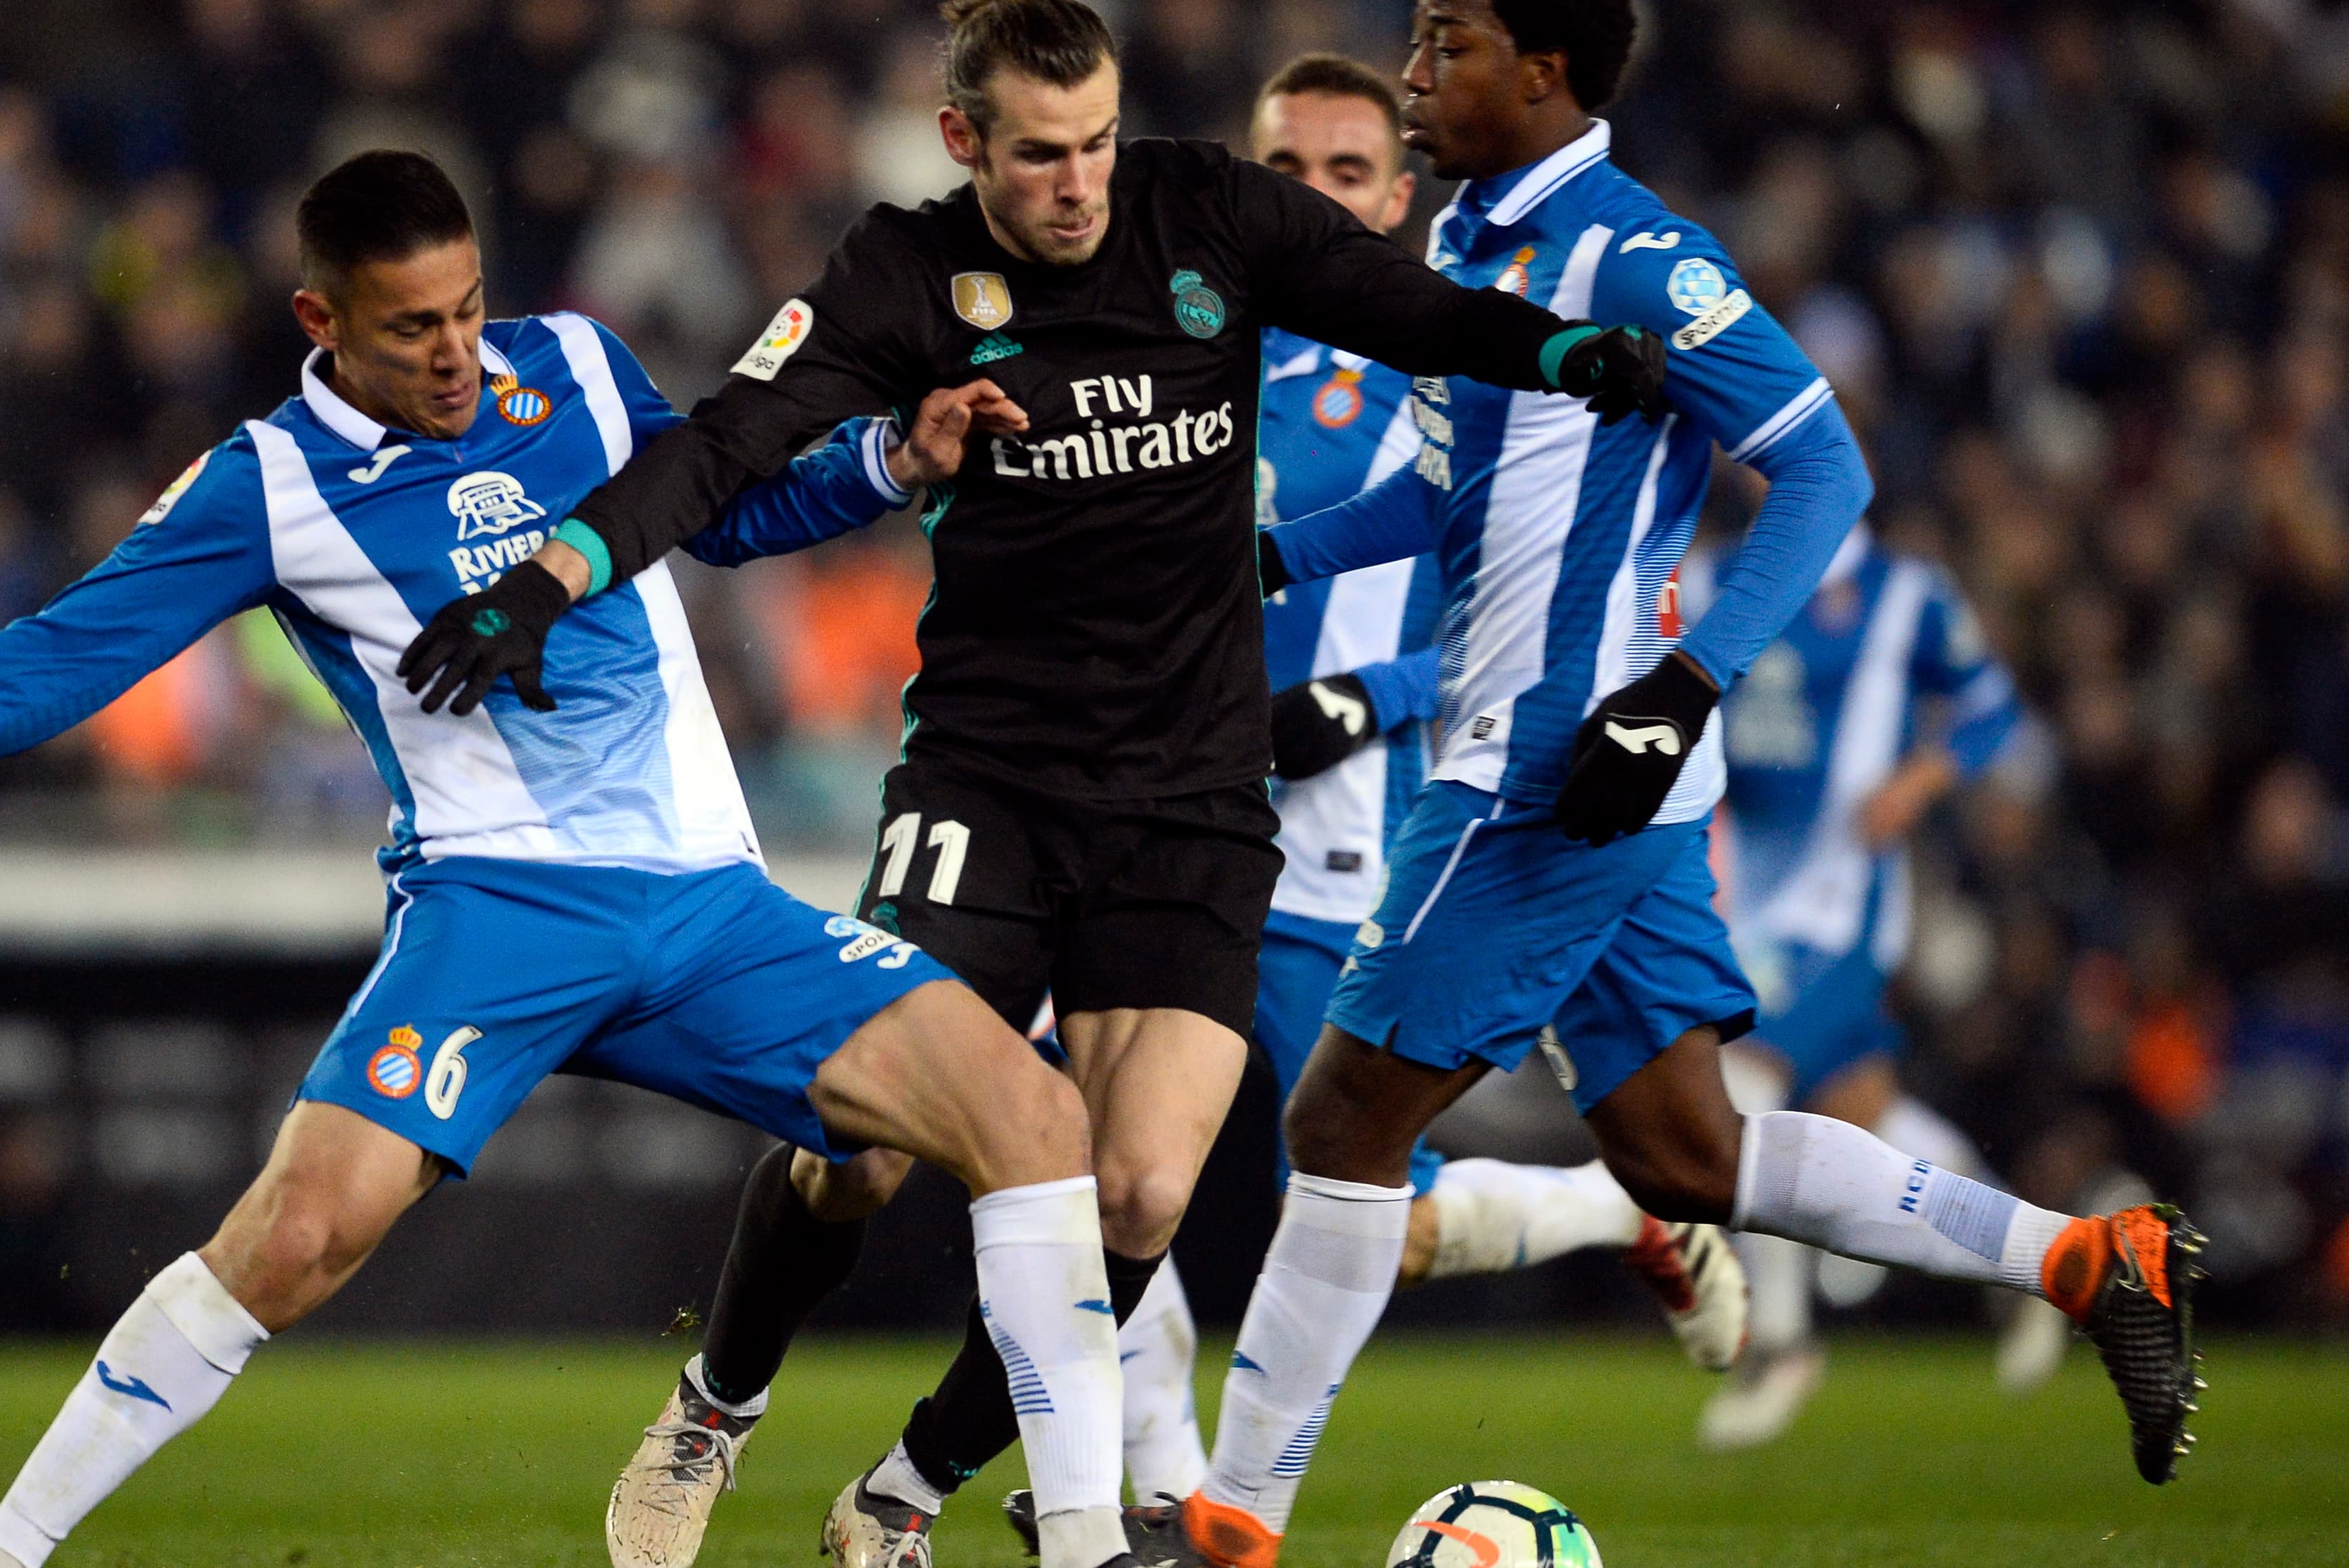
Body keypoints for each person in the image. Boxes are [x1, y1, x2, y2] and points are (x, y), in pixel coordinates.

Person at [0, 150, 1156, 1568]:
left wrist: (895, 458)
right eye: (413, 328)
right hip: (497, 911)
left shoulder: (571, 365)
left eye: (467, 311)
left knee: (1028, 1116)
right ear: (321, 319)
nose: (455, 354)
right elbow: (65, 654)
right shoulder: (270, 483)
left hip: (711, 910)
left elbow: (723, 506)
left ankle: (1076, 1539)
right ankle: (4, 1551)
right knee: (297, 1239)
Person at [515, 2, 1673, 1561]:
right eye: (1043, 155)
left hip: (1191, 794)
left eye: (1098, 145)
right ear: (964, 143)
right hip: (986, 782)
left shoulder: (1208, 210)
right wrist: (557, 569)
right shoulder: (901, 272)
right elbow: (727, 448)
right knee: (859, 1145)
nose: (1079, 184)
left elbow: (1415, 312)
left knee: (1136, 1198)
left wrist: (1563, 350)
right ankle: (717, 1405)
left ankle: (903, 1495)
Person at [1122, 4, 2205, 1562]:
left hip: (1545, 770)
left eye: (1447, 43)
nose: (1416, 69)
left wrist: (1688, 681)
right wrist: (1264, 556)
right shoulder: (1466, 246)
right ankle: (2097, 1262)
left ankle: (1228, 1522)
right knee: (1688, 1155)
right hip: (1590, 775)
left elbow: (1825, 464)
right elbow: (1449, 493)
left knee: (1345, 1122)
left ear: (1543, 71)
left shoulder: (1633, 256)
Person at [1103, 52, 1746, 1506]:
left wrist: (1360, 695)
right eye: (1283, 172)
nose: (1310, 198)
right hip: (1158, 821)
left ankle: (1623, 1212)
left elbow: (1494, 610)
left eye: (1343, 174)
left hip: (1335, 843)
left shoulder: (1432, 366)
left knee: (1346, 1196)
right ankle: (1156, 1491)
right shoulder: (1168, 351)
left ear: (1394, 198)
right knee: (1081, 1161)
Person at [1691, 521, 2071, 1449]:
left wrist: (1922, 775)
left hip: (1847, 898)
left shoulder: (1908, 594)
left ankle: (1777, 1342)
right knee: (1862, 1112)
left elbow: (1992, 709)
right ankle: (2046, 1258)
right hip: (1744, 896)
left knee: (1740, 1078)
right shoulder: (1706, 580)